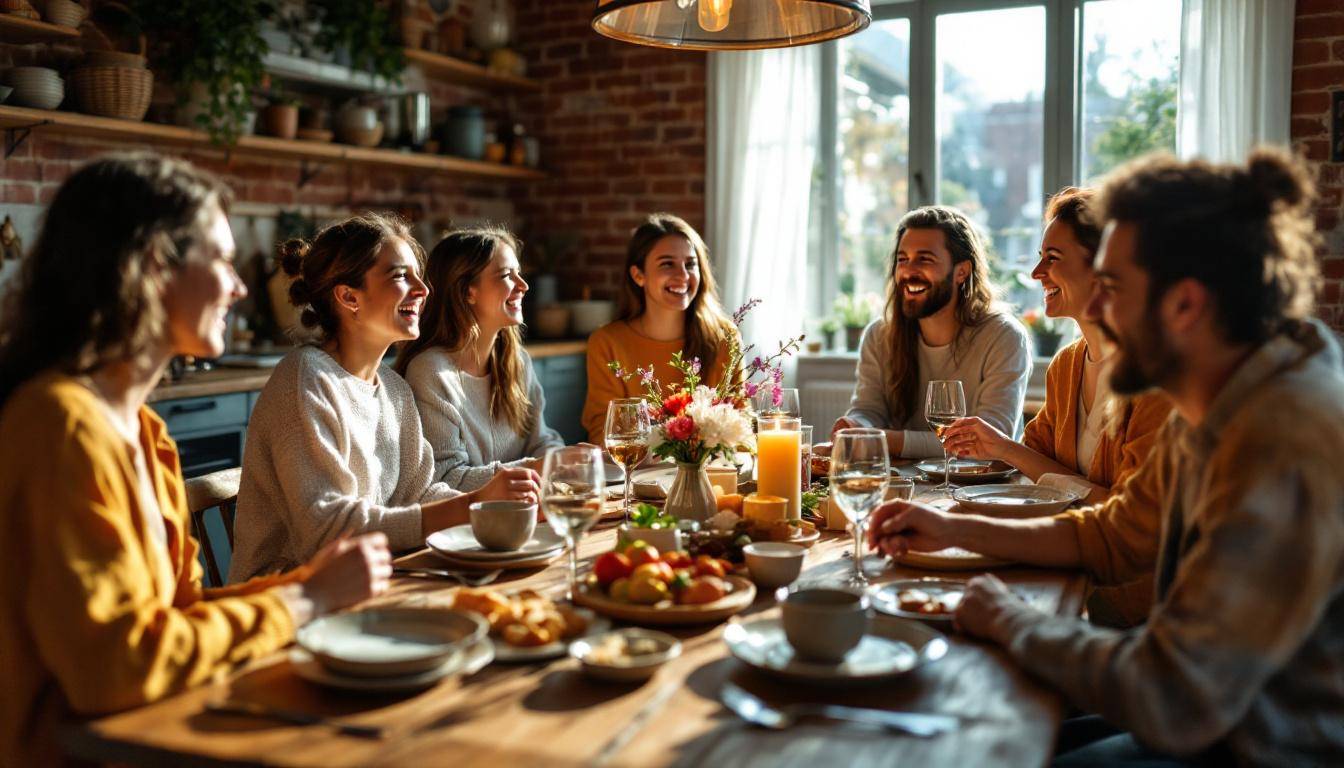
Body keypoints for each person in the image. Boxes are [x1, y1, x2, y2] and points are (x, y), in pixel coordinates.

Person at [870, 148, 1344, 765]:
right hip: (1208, 721)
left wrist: (1012, 620)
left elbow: (1176, 694)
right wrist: (952, 526)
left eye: (1112, 289)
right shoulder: (1224, 391)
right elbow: (1116, 535)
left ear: (1185, 304)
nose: (1092, 309)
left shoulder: (1278, 437)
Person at [0, 153, 391, 766]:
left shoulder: (144, 430)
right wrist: (306, 603)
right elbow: (117, 667)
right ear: (155, 265)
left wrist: (310, 584)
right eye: (222, 260)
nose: (239, 286)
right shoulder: (58, 426)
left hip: (157, 731)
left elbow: (175, 616)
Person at [229, 214, 536, 582]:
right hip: (288, 598)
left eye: (418, 275)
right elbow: (327, 532)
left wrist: (488, 500)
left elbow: (419, 492)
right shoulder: (306, 379)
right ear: (348, 296)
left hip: (373, 580)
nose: (423, 289)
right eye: (400, 276)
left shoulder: (392, 388)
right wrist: (471, 505)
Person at [941, 189, 1172, 626]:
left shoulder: (1155, 381)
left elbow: (1128, 518)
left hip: (1137, 610)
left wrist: (1006, 451)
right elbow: (1036, 469)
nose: (1035, 272)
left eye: (1052, 257)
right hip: (1066, 574)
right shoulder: (1067, 365)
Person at [833, 205, 1032, 458]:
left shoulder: (1004, 336)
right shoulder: (879, 335)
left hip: (983, 490)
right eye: (902, 259)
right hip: (906, 483)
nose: (908, 270)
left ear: (962, 272)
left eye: (925, 259)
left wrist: (882, 440)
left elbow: (986, 442)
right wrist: (855, 426)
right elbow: (869, 409)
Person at [395, 226, 559, 490]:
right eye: (507, 275)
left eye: (520, 273)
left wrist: (567, 461)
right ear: (467, 291)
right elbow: (447, 478)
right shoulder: (430, 371)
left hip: (524, 512)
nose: (523, 285)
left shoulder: (517, 361)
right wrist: (543, 467)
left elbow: (541, 441)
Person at [581, 213, 738, 443]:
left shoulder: (726, 337)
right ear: (638, 275)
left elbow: (741, 426)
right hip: (637, 477)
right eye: (667, 264)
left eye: (690, 264)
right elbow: (603, 435)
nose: (683, 275)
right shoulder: (606, 342)